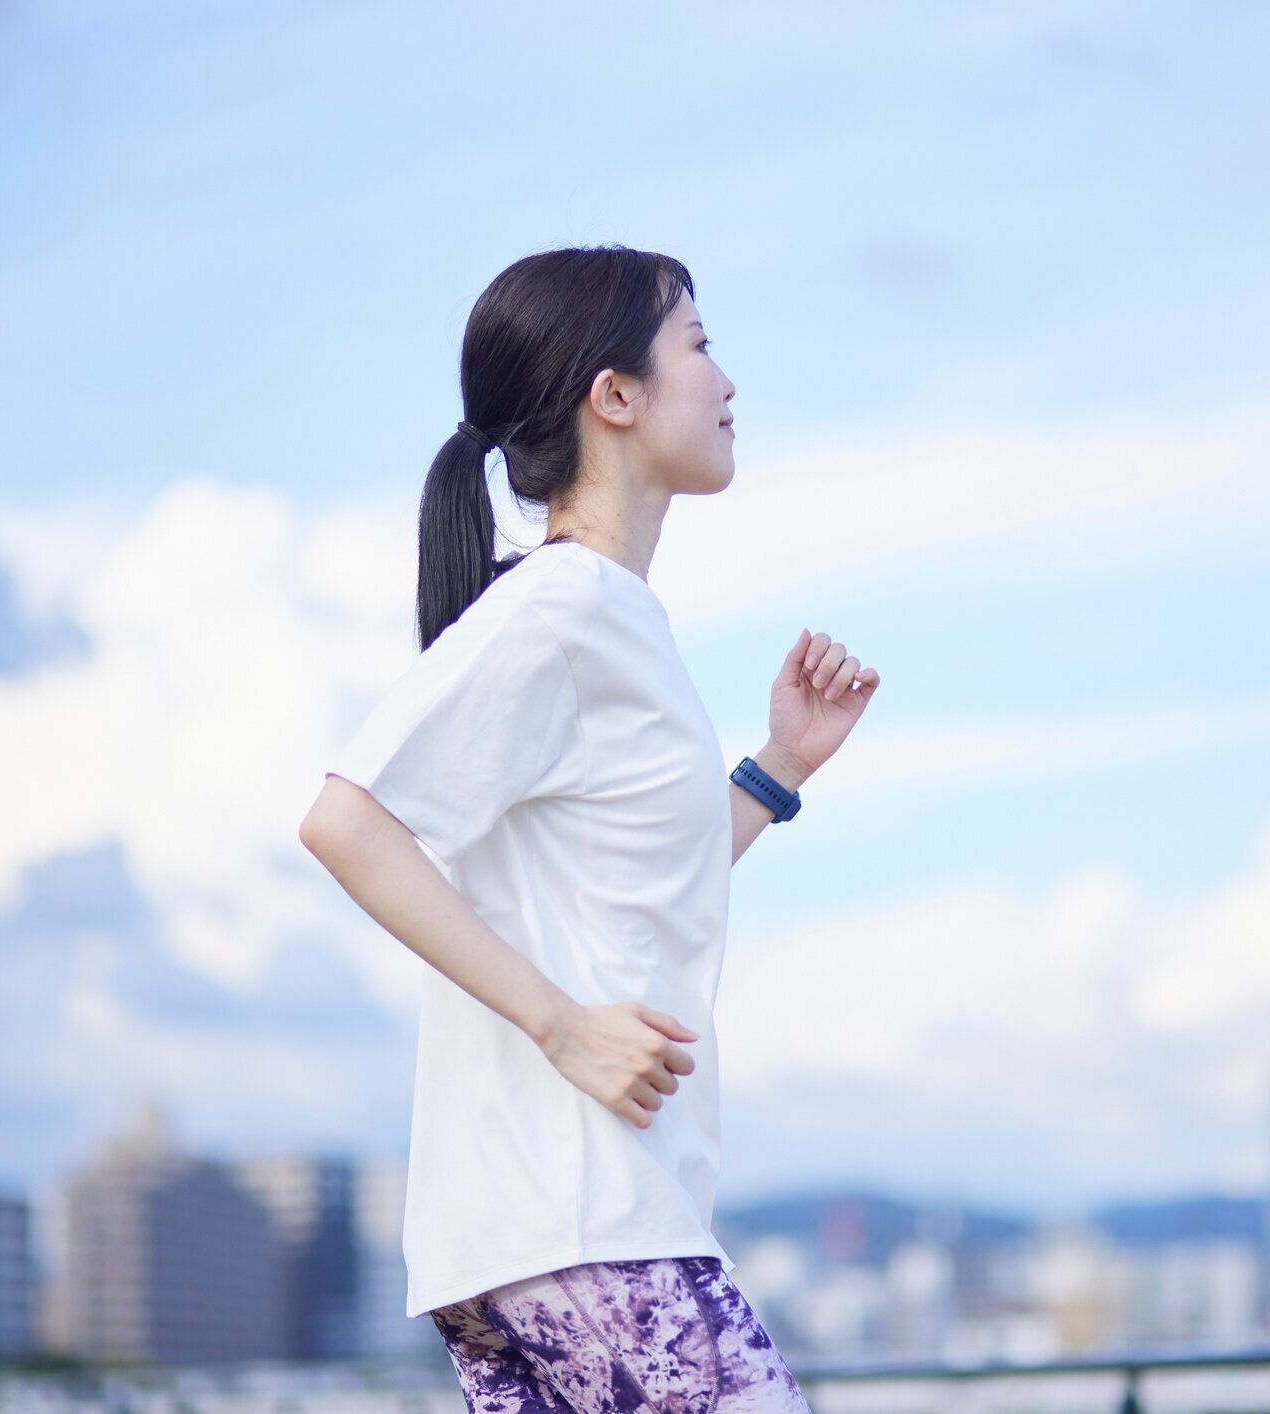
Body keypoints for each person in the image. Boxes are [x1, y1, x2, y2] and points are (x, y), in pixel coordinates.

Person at [299, 246, 880, 1412]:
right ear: (612, 397)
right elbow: (345, 820)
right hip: (580, 1215)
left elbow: (635, 879)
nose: (726, 381)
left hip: (539, 1230)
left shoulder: (606, 618)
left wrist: (774, 771)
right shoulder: (560, 607)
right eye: (699, 345)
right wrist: (561, 1027)